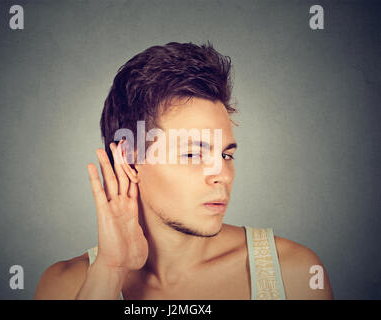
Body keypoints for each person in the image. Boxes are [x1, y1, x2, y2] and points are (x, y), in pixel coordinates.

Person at [34, 42, 333, 300]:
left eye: (226, 154)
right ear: (129, 158)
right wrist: (110, 271)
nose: (223, 175)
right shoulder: (64, 286)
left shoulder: (295, 274)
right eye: (193, 153)